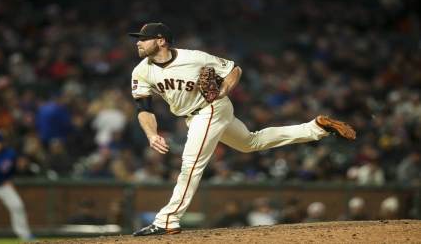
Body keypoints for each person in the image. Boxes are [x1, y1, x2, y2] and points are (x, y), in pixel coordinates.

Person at [128, 23, 356, 236]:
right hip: (195, 116)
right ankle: (316, 128)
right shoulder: (141, 71)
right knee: (250, 143)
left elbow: (232, 69)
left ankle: (167, 219)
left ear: (161, 41)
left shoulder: (194, 57)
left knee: (191, 163)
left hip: (211, 109)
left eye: (143, 39)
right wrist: (151, 134)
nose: (138, 42)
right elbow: (144, 108)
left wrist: (225, 89)